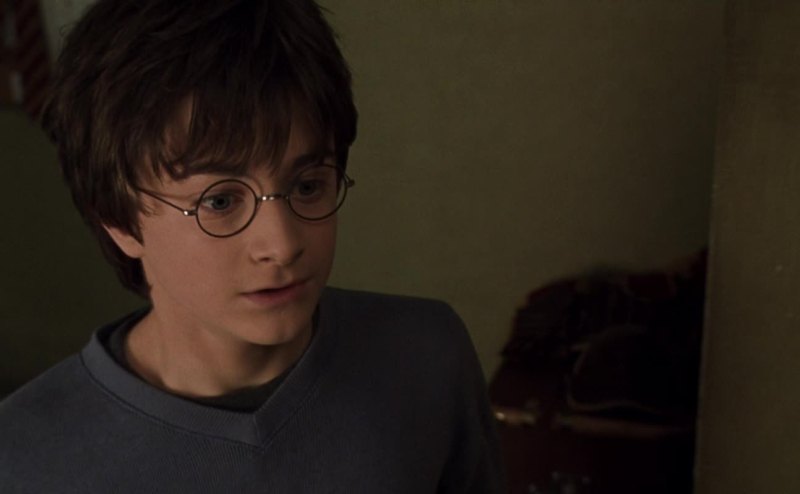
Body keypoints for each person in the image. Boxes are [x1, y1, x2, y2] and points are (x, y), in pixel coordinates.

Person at [0, 1, 505, 492]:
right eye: (220, 201)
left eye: (308, 185)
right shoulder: (22, 459)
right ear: (118, 221)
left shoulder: (427, 356)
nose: (282, 245)